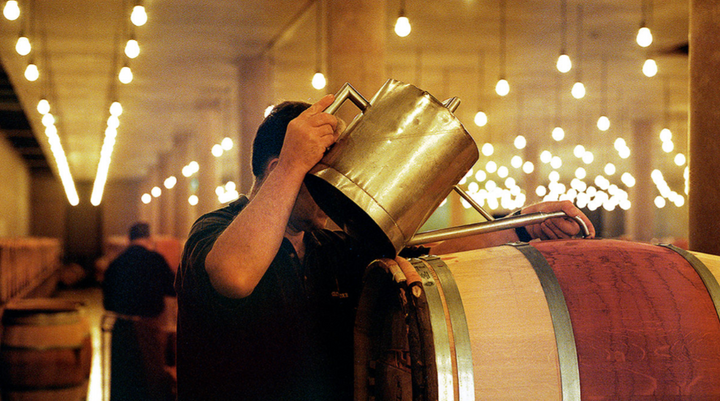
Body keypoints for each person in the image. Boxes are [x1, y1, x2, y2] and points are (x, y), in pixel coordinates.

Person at [174, 94, 595, 400]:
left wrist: (523, 225)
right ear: (275, 168)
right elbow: (234, 276)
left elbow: (432, 258)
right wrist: (293, 162)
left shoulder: (330, 248)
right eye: (319, 172)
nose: (330, 190)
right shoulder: (215, 230)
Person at [103, 222, 177, 401]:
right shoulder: (156, 259)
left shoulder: (116, 263)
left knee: (123, 381)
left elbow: (107, 303)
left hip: (121, 328)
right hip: (148, 328)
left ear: (129, 239)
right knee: (150, 380)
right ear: (149, 239)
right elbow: (173, 289)